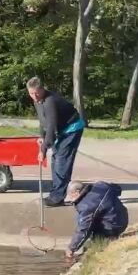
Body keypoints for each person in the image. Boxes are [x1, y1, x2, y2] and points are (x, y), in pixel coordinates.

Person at [27, 77, 85, 207]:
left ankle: (57, 198)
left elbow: (52, 127)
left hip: (72, 129)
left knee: (61, 160)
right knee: (56, 159)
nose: (34, 96)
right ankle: (56, 193)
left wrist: (43, 150)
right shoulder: (38, 101)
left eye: (36, 92)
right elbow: (43, 122)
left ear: (42, 89)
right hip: (61, 129)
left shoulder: (50, 101)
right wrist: (42, 137)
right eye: (31, 93)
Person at [64, 181, 129, 259]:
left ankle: (110, 238)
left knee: (95, 238)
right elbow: (117, 189)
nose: (71, 199)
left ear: (77, 192)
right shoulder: (100, 185)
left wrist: (72, 248)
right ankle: (111, 236)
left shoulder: (86, 206)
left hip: (113, 224)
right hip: (122, 216)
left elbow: (83, 228)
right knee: (91, 219)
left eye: (71, 195)